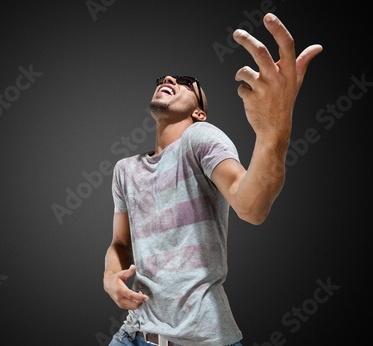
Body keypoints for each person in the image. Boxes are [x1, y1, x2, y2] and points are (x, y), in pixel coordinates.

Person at [103, 12, 322, 346]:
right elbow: (121, 243)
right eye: (164, 78)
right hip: (134, 334)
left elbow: (251, 206)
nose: (169, 79)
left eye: (185, 80)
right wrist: (109, 276)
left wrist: (274, 133)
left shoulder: (200, 138)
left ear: (199, 112)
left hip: (203, 340)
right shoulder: (125, 169)